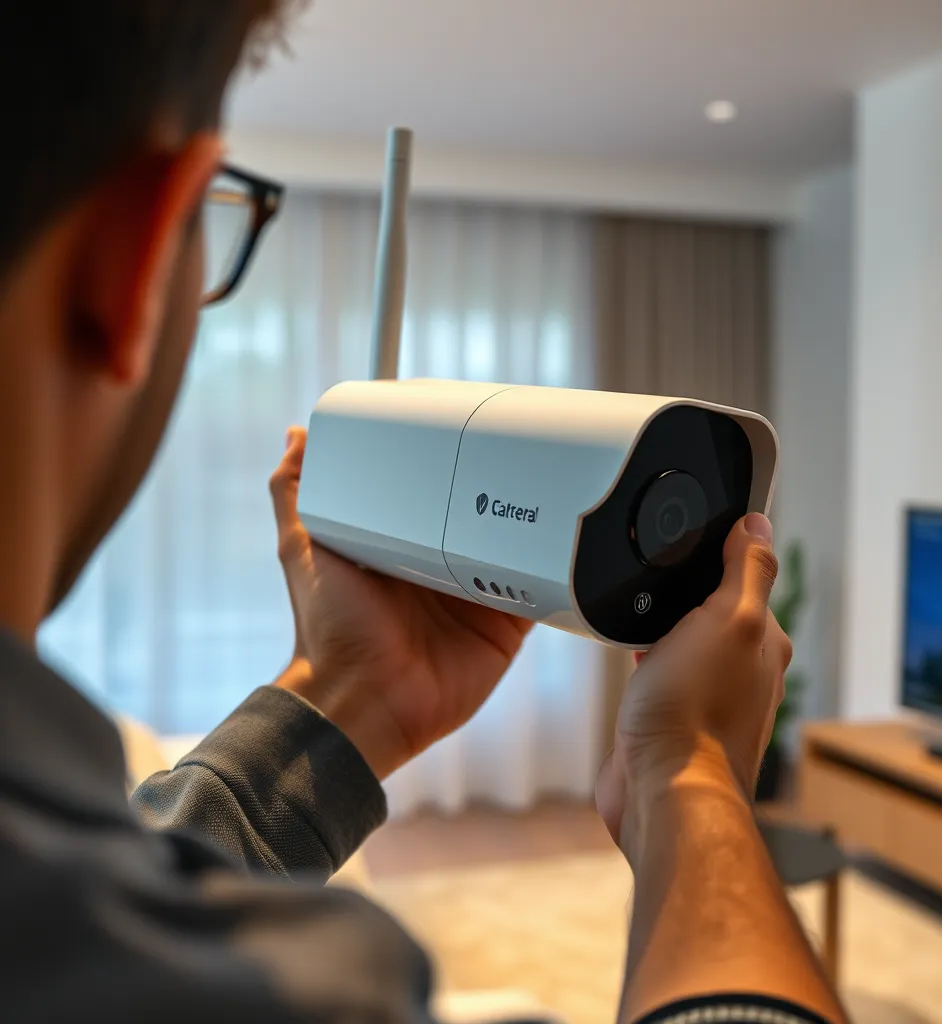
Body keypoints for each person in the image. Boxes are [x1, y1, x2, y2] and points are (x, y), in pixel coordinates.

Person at [0, 3, 849, 1023]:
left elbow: (118, 881)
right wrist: (692, 775)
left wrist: (345, 691)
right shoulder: (286, 992)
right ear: (133, 256)